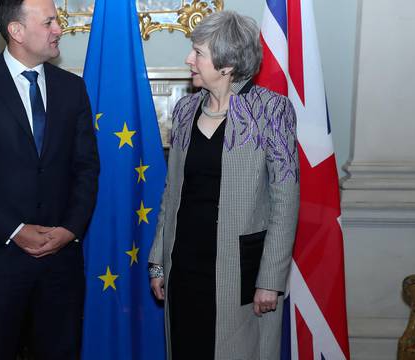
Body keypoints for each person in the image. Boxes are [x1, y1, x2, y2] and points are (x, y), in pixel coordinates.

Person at [0, 0, 99, 358]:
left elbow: (87, 167)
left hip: (62, 263)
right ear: (16, 31)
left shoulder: (72, 88)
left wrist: (70, 229)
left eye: (57, 21)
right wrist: (16, 229)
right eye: (49, 22)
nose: (59, 29)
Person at [148, 10, 300, 359]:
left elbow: (285, 200)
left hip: (240, 272)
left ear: (227, 65)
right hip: (184, 267)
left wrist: (270, 280)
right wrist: (157, 262)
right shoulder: (185, 109)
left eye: (198, 52)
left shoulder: (271, 111)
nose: (189, 59)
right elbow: (171, 194)